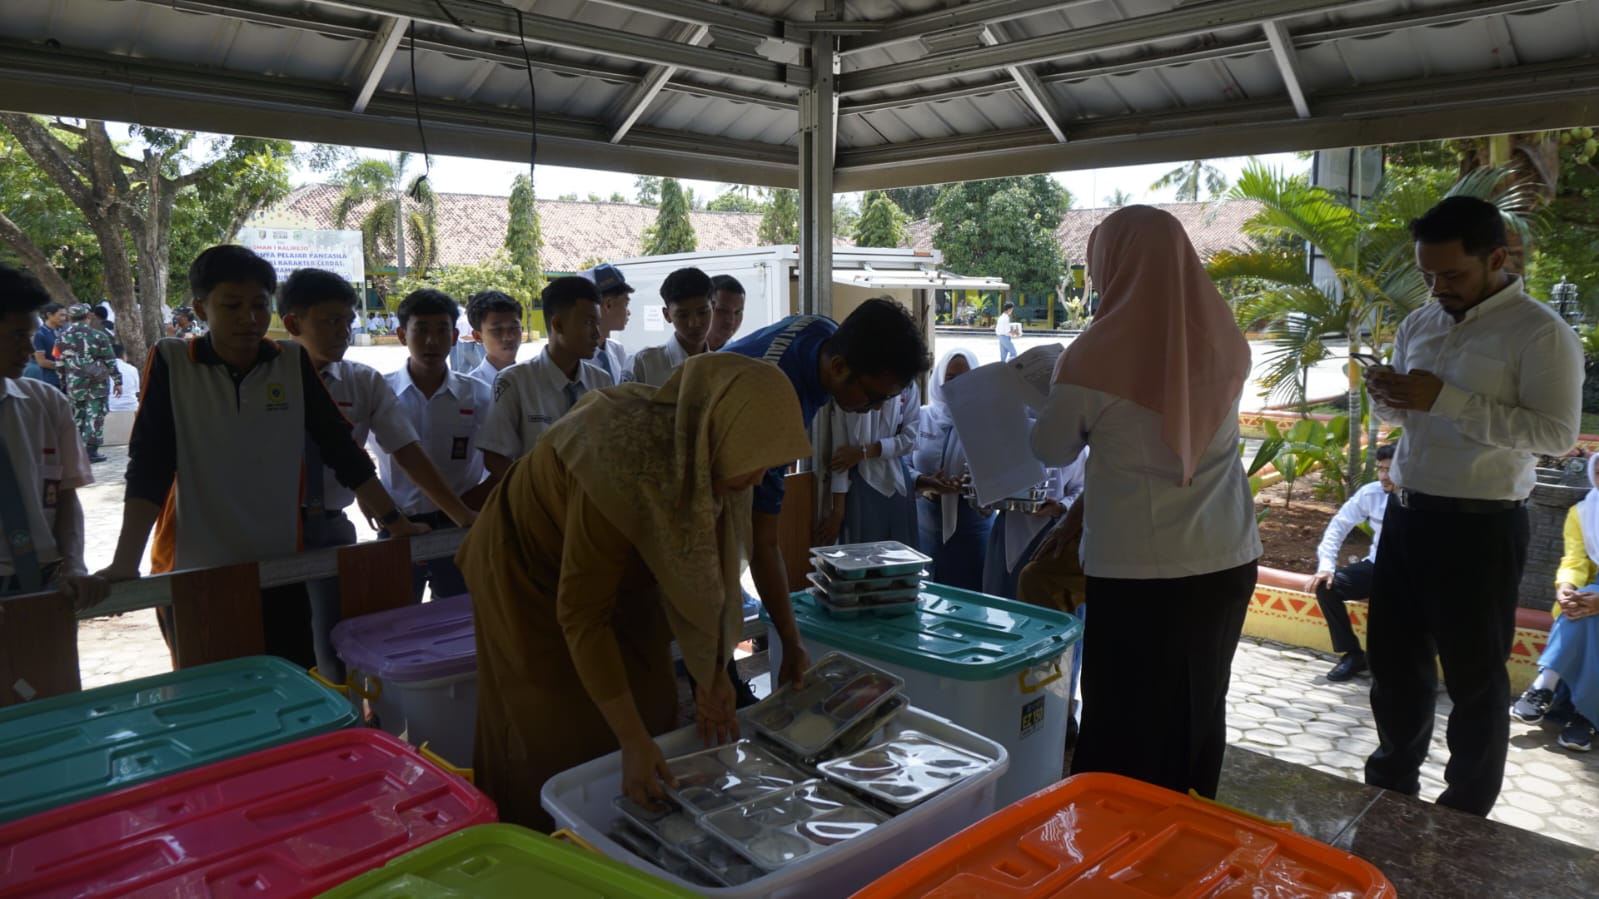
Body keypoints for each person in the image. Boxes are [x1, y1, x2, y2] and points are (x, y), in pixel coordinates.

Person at [458, 353, 812, 830]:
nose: (755, 479)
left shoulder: (707, 450)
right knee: (547, 723)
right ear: (723, 429)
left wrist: (711, 676)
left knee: (651, 699)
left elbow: (710, 570)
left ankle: (630, 824)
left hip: (623, 568)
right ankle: (541, 839)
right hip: (526, 571)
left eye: (765, 466)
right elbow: (583, 616)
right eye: (753, 463)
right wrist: (632, 741)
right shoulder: (618, 457)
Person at [99, 246, 425, 667]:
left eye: (258, 305)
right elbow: (149, 465)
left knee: (291, 685)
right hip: (193, 565)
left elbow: (340, 447)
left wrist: (396, 523)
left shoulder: (289, 361)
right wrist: (125, 561)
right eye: (231, 305)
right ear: (201, 307)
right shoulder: (172, 361)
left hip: (278, 563)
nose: (249, 319)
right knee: (210, 691)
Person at [1362, 196, 1583, 816]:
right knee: (1395, 669)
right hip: (1407, 516)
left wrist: (1446, 400)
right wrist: (1387, 396)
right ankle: (1389, 791)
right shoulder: (1420, 323)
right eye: (1427, 274)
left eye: (1452, 274)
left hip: (1480, 528)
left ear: (1496, 258)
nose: (1437, 288)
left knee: (1475, 680)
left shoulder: (1541, 332)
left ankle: (1464, 814)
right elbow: (1408, 416)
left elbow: (1557, 435)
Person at [1032, 205, 1260, 799]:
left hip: (1140, 573)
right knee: (1198, 709)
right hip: (1226, 558)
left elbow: (1053, 449)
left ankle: (1122, 849)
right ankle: (1188, 832)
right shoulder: (1222, 337)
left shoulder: (1090, 357)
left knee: (1125, 720)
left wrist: (1044, 390)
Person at [723, 298, 932, 688]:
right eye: (874, 398)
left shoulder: (823, 333)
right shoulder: (775, 405)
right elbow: (763, 543)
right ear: (839, 368)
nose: (873, 411)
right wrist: (791, 641)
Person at [279, 268, 478, 678]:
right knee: (279, 636)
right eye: (330, 321)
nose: (342, 332)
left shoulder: (362, 381)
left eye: (347, 322)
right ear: (293, 324)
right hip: (269, 528)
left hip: (333, 526)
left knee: (338, 635)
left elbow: (404, 452)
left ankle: (349, 718)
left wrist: (459, 519)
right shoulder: (265, 378)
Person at [0, 263, 107, 609]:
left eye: (30, 336)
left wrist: (74, 565)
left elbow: (65, 496)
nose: (28, 350)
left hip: (46, 586)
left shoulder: (46, 403)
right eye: (17, 336)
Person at [382, 288, 494, 603]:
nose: (432, 341)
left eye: (441, 330)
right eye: (421, 330)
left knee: (460, 621)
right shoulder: (381, 393)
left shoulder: (479, 395)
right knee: (392, 623)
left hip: (460, 526)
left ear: (455, 336)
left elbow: (500, 460)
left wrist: (473, 508)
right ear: (402, 334)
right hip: (399, 526)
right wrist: (373, 503)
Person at [478, 277, 613, 475]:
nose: (597, 333)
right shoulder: (514, 382)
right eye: (588, 322)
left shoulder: (601, 381)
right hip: (536, 501)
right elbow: (495, 457)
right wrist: (537, 493)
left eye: (598, 323)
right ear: (558, 324)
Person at [1511, 452, 1599, 753]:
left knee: (1589, 611)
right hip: (1592, 595)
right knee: (1579, 605)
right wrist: (1566, 588)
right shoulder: (1585, 513)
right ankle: (1583, 718)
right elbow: (1574, 560)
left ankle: (1544, 687)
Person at [1306, 444, 1396, 682]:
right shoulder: (1371, 493)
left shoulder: (1423, 498)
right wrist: (1326, 566)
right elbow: (1339, 525)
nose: (1384, 476)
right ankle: (1353, 654)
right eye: (1381, 469)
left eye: (1391, 470)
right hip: (1377, 565)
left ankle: (1398, 666)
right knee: (1328, 588)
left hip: (1413, 573)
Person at [911, 349, 991, 590]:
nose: (959, 386)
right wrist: (925, 482)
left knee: (971, 599)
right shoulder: (922, 417)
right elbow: (902, 465)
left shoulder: (988, 422)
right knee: (925, 593)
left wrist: (980, 488)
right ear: (938, 380)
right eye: (951, 377)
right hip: (924, 522)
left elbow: (1003, 471)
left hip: (973, 526)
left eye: (967, 378)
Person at [818, 383, 922, 547]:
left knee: (901, 557)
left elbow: (911, 439)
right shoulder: (850, 384)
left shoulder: (908, 386)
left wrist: (864, 452)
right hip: (860, 484)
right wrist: (838, 511)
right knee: (863, 558)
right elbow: (841, 455)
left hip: (898, 484)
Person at [981, 456, 1083, 600]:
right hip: (1006, 525)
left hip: (1053, 531)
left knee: (1041, 599)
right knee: (998, 596)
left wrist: (1061, 507)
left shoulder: (1076, 445)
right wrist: (986, 500)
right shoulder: (1006, 441)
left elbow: (1084, 487)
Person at [54, 303, 121, 464]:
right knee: (95, 416)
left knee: (77, 416)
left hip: (74, 384)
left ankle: (75, 451)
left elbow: (59, 363)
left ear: (70, 318)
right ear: (87, 317)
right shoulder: (99, 336)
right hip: (96, 384)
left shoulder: (61, 338)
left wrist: (63, 382)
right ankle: (91, 452)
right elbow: (110, 361)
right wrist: (118, 381)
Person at [629, 267, 713, 387]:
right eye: (683, 315)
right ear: (667, 315)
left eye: (702, 312)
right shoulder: (645, 364)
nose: (694, 323)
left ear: (713, 308)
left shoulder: (722, 366)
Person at [463, 290, 524, 386]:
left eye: (514, 328)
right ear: (478, 336)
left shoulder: (534, 380)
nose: (508, 337)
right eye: (497, 330)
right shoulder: (469, 390)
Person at [585, 262, 633, 382]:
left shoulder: (617, 350)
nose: (628, 312)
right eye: (626, 304)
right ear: (608, 305)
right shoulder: (577, 358)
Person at [22, 301, 65, 389]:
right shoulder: (40, 334)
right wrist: (65, 367)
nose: (64, 318)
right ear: (49, 315)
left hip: (64, 380)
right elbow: (41, 361)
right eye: (61, 315)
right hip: (49, 381)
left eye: (65, 315)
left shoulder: (62, 331)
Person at [708, 274, 746, 351]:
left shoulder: (743, 358)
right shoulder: (679, 356)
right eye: (723, 311)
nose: (731, 321)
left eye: (737, 312)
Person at [108, 344, 139, 413]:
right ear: (124, 355)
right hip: (132, 407)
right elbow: (136, 390)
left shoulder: (104, 369)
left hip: (111, 408)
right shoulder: (132, 369)